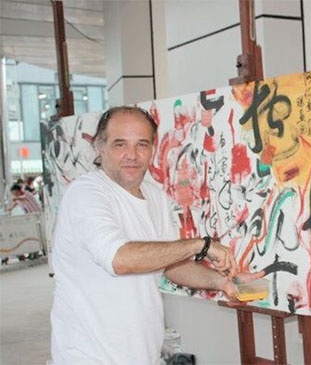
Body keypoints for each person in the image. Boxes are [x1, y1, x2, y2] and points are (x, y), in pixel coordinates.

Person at [50, 106, 240, 364]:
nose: (132, 155)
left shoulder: (154, 196)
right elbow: (120, 259)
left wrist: (221, 281)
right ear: (100, 147)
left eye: (142, 144)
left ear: (152, 148)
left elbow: (171, 266)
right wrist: (200, 245)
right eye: (120, 144)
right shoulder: (86, 194)